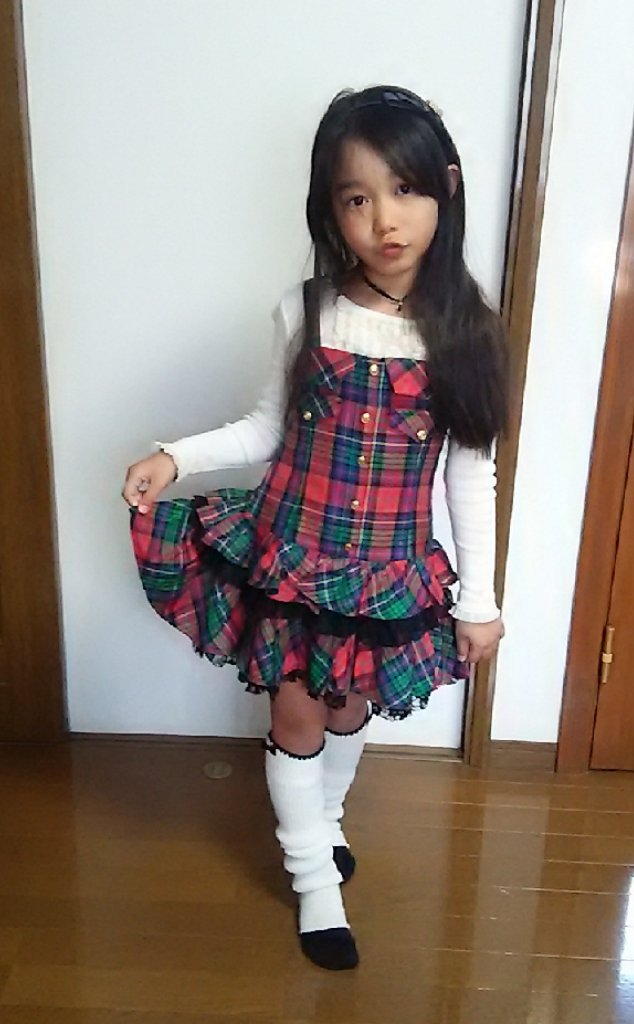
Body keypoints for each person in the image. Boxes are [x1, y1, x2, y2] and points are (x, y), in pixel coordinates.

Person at [122, 85, 508, 972]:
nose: (385, 220)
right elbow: (266, 429)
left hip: (388, 573)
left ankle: (326, 821)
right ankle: (312, 881)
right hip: (293, 558)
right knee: (297, 709)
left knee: (349, 706)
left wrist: (480, 601)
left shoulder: (469, 334)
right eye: (356, 197)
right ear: (330, 209)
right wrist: (175, 457)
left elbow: (470, 473)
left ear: (446, 188)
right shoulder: (307, 310)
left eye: (405, 189)